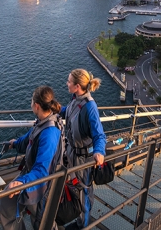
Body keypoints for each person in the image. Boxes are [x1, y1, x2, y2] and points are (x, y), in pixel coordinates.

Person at [0, 86, 64, 230]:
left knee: (42, 223)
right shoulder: (42, 122)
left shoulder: (50, 133)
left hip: (42, 184)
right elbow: (28, 139)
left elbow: (43, 170)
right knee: (8, 201)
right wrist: (14, 144)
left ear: (36, 106)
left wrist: (22, 182)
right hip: (32, 178)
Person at [61, 69, 106, 229]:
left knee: (85, 192)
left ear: (77, 86)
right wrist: (56, 109)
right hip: (72, 154)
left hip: (83, 159)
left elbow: (99, 135)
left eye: (69, 81)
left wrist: (99, 152)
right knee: (76, 188)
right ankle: (79, 218)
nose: (67, 83)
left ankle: (83, 225)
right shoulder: (76, 99)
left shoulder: (90, 106)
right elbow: (70, 112)